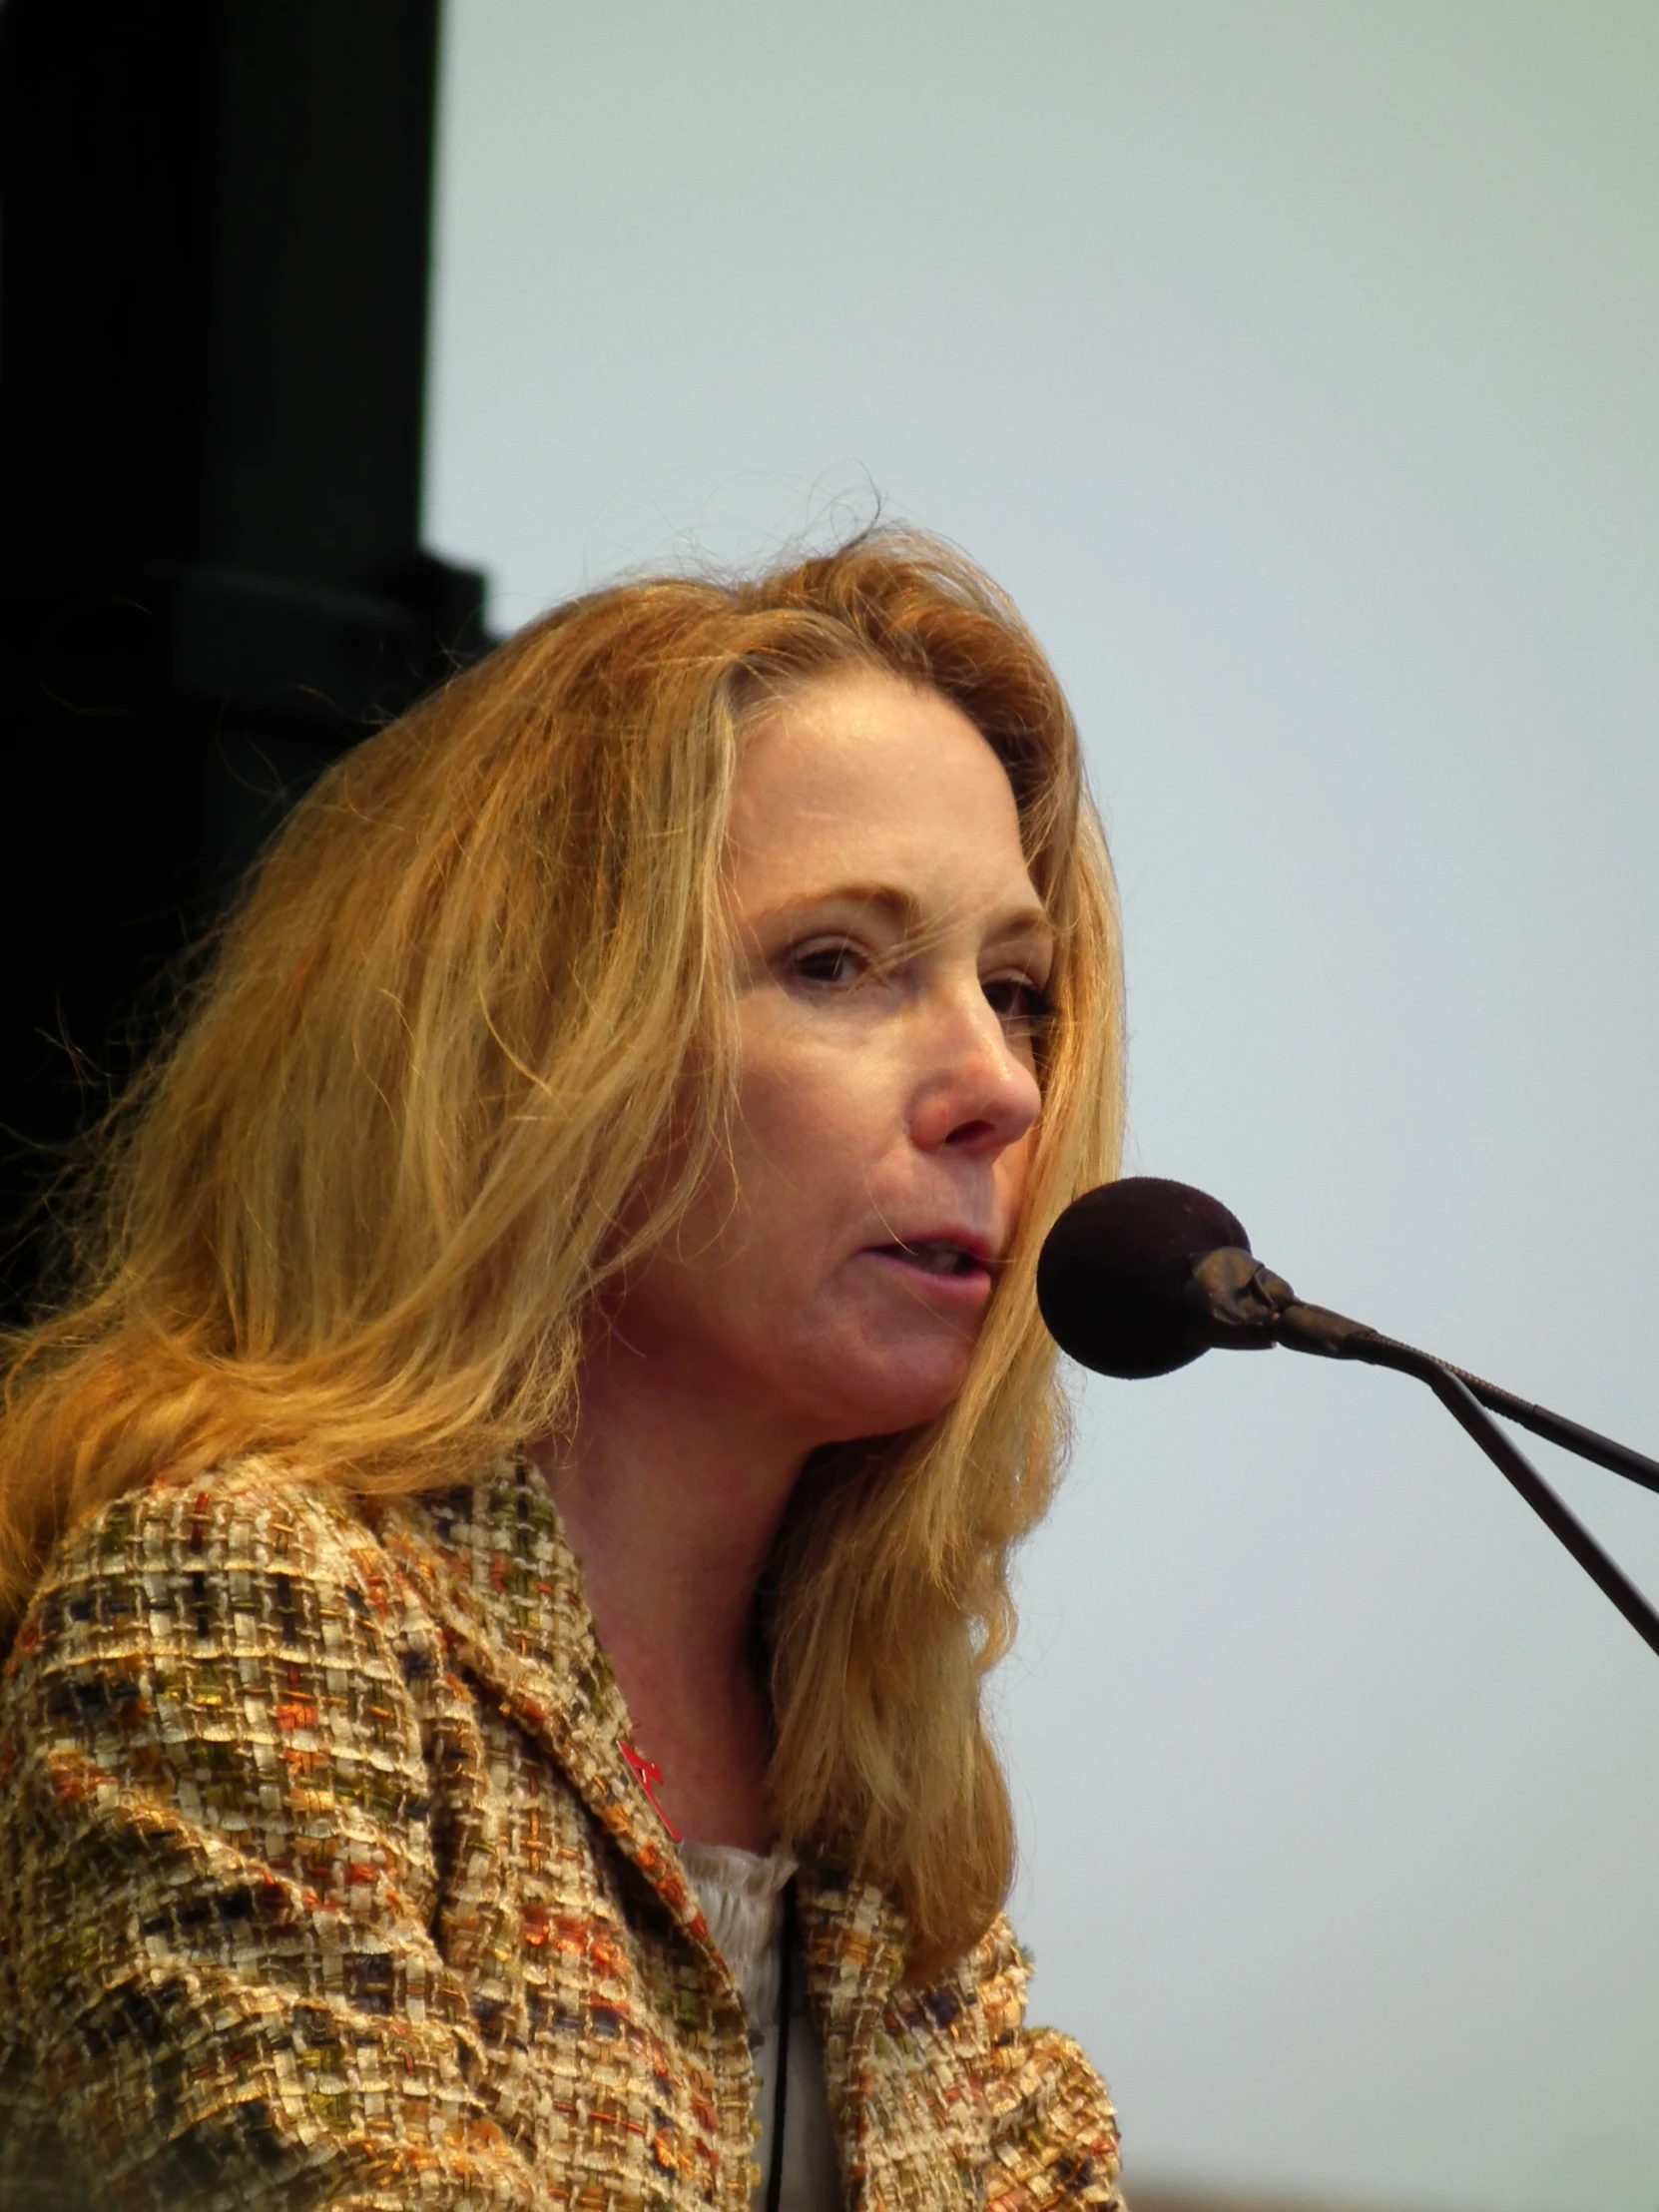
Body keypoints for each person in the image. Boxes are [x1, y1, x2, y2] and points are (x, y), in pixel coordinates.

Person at [0, 531, 1127, 2212]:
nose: (998, 1086)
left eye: (1015, 989)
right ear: (530, 1046)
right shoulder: (238, 1604)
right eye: (838, 964)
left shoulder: (881, 1804)